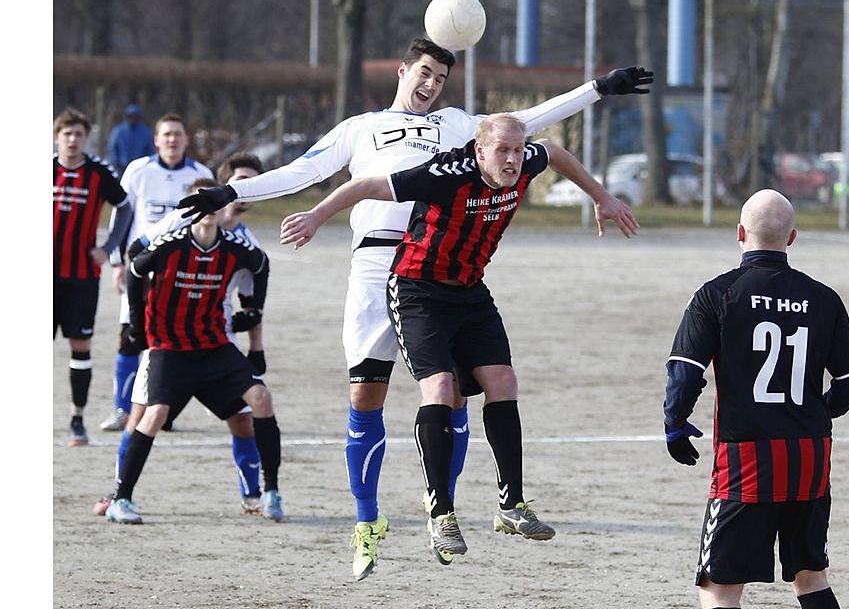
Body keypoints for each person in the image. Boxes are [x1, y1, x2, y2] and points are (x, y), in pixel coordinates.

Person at [178, 36, 653, 580]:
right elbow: (300, 173)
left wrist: (599, 88)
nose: (431, 84)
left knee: (451, 395)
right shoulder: (360, 128)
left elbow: (527, 120)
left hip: (438, 268)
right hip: (378, 266)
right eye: (424, 72)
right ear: (403, 70)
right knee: (365, 393)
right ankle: (366, 520)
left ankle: (441, 512)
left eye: (441, 78)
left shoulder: (458, 125)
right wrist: (228, 194)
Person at [278, 113, 638, 562]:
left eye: (517, 149)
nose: (512, 159)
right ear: (479, 150)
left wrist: (601, 196)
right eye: (502, 150)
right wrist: (315, 216)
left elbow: (558, 152)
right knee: (442, 388)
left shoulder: (526, 161)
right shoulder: (444, 174)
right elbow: (366, 185)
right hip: (416, 290)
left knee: (503, 383)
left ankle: (511, 505)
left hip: (468, 289)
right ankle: (441, 513)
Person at [662, 189, 849, 609]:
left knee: (718, 588)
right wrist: (817, 411)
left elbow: (685, 372)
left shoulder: (717, 294)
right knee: (810, 577)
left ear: (739, 232)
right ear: (792, 238)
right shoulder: (823, 298)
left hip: (747, 460)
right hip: (810, 455)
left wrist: (675, 422)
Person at [93, 163, 282, 519]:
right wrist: (137, 324)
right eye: (239, 181)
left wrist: (254, 329)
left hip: (215, 342)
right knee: (145, 417)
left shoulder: (242, 243)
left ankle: (259, 495)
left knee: (249, 411)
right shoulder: (173, 231)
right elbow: (137, 257)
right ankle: (119, 494)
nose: (243, 190)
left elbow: (258, 276)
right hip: (168, 345)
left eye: (249, 184)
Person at [101, 113, 213, 433]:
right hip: (141, 270)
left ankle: (166, 410)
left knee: (176, 341)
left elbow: (208, 222)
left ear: (186, 139)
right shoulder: (138, 171)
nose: (172, 140)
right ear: (156, 139)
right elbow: (122, 217)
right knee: (131, 337)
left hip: (180, 274)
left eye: (178, 134)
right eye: (166, 134)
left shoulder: (201, 175)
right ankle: (122, 411)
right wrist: (117, 263)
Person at [53, 107, 133, 446]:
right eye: (67, 134)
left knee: (80, 347)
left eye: (79, 135)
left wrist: (109, 246)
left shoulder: (99, 173)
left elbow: (126, 207)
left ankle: (77, 419)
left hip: (81, 276)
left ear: (86, 139)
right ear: (57, 137)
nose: (73, 140)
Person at [107, 104, 155, 176]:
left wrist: (148, 163)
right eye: (130, 116)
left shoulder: (146, 132)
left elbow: (150, 149)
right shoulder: (119, 131)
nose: (133, 119)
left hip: (140, 167)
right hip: (122, 167)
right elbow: (112, 147)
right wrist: (116, 162)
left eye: (135, 116)